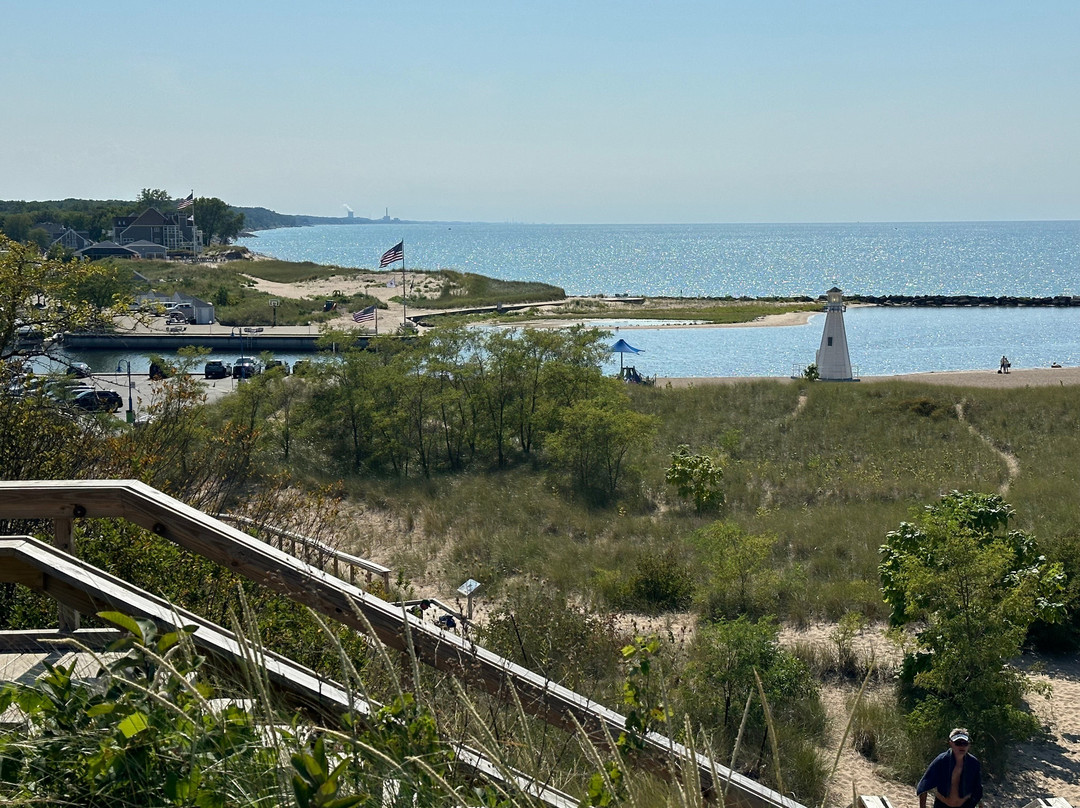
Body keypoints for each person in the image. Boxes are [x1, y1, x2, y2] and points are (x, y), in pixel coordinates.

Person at [916, 728, 983, 808]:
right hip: (942, 805)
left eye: (964, 743)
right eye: (958, 743)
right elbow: (924, 785)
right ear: (951, 743)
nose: (962, 746)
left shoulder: (973, 763)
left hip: (964, 805)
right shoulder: (942, 760)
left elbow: (978, 789)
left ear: (968, 745)